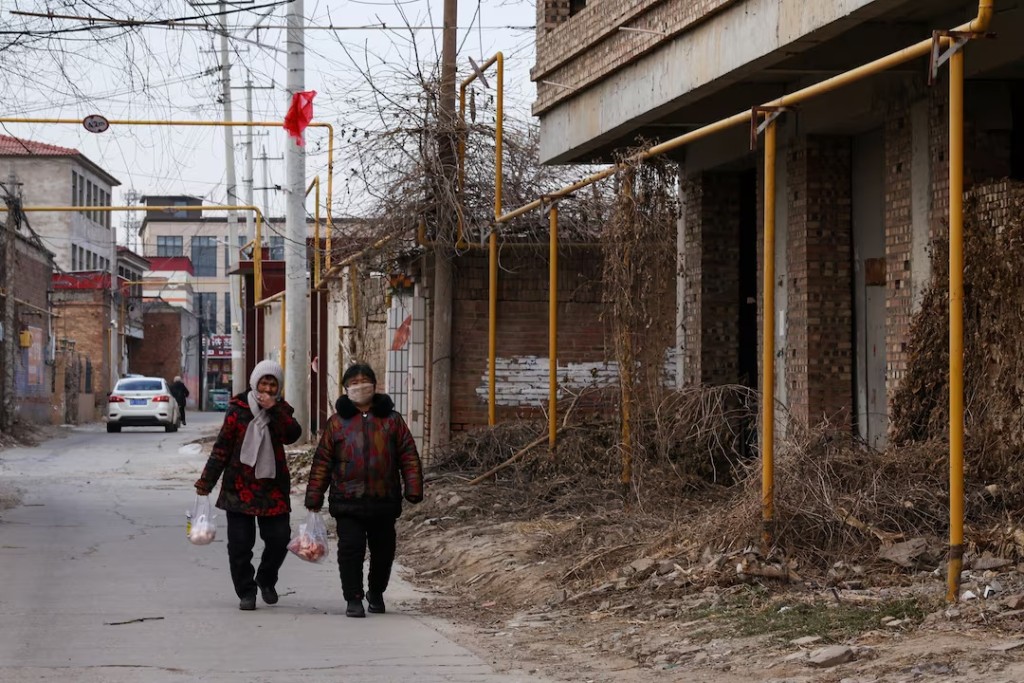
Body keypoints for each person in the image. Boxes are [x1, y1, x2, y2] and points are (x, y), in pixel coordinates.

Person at [305, 363, 423, 618]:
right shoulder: (336, 423)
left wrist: (413, 487)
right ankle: (353, 597)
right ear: (347, 388)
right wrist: (314, 495)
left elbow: (408, 455)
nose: (361, 386)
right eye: (355, 382)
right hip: (347, 501)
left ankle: (376, 592)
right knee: (351, 550)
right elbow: (323, 461)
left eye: (365, 381)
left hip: (384, 500)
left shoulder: (392, 420)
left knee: (383, 552)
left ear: (374, 385)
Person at [194, 359, 302, 611]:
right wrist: (206, 481)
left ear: (278, 388)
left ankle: (265, 579)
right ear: (255, 382)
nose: (267, 387)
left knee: (279, 538)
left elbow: (292, 435)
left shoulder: (282, 409)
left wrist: (274, 409)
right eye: (263, 382)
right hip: (239, 487)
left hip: (272, 488)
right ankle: (246, 591)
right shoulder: (237, 409)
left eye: (272, 384)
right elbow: (222, 448)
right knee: (240, 545)